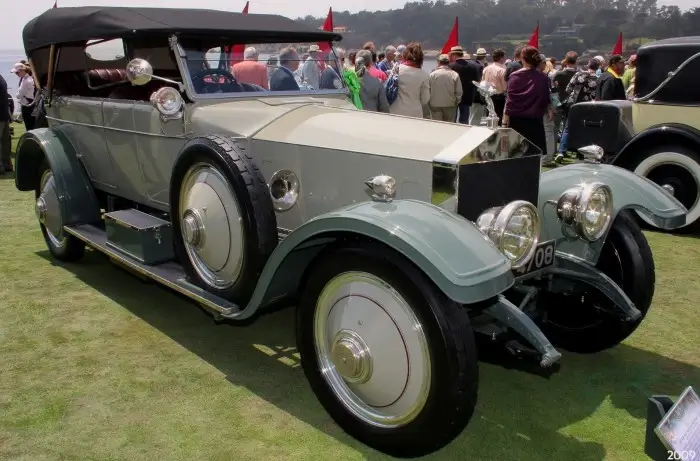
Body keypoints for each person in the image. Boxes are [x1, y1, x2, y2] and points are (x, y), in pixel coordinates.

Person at [502, 46, 553, 159]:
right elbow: (546, 98)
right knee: (533, 156)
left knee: (515, 155)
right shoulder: (543, 78)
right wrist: (549, 110)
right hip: (535, 121)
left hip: (516, 121)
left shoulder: (514, 76)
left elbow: (509, 101)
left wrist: (505, 122)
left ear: (523, 59)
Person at [556, 59, 599, 161]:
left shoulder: (578, 74)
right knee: (584, 129)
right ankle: (580, 152)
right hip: (587, 106)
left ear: (588, 65)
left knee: (567, 128)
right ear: (597, 67)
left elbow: (568, 89)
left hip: (573, 104)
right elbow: (595, 95)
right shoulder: (597, 78)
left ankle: (562, 151)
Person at [389, 42, 430, 119]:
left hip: (395, 111)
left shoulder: (397, 68)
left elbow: (389, 86)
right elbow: (425, 100)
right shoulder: (425, 76)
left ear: (406, 54)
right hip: (415, 113)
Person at [448, 45, 480, 124]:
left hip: (453, 96)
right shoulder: (472, 66)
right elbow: (477, 81)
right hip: (467, 96)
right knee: (464, 121)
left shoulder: (450, 66)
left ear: (454, 54)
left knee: (452, 120)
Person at [551, 51, 578, 141]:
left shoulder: (559, 74)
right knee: (568, 126)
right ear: (576, 61)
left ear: (566, 60)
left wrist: (555, 104)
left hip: (558, 101)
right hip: (572, 103)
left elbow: (552, 88)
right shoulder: (579, 74)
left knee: (555, 126)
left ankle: (554, 149)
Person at [428, 54, 462, 122]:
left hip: (435, 104)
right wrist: (456, 102)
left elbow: (428, 90)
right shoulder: (454, 74)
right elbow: (459, 92)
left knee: (437, 126)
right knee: (449, 127)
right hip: (450, 105)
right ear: (449, 62)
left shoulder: (432, 75)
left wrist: (429, 102)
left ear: (438, 62)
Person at [481, 48, 507, 125]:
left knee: (489, 118)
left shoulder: (486, 69)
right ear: (501, 58)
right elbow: (505, 87)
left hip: (488, 97)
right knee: (498, 120)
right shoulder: (502, 70)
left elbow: (483, 83)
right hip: (499, 98)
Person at [11, 62, 36, 132]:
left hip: (27, 106)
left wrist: (17, 94)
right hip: (28, 105)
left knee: (30, 127)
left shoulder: (26, 81)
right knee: (30, 126)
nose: (16, 74)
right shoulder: (27, 79)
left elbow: (19, 95)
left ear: (22, 71)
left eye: (17, 73)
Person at [470, 48, 487, 125]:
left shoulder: (472, 65)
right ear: (484, 57)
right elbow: (481, 82)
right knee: (476, 117)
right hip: (478, 96)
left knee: (472, 115)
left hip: (472, 94)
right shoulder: (480, 67)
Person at [0, 73, 12, 174]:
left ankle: (1, 167)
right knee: (5, 142)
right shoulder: (2, 79)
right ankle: (7, 165)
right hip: (4, 114)